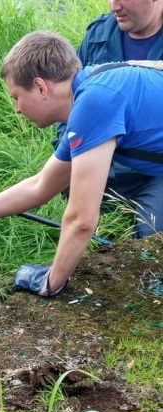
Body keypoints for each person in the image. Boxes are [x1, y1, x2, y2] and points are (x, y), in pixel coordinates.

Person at [0, 31, 163, 297]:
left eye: (16, 97)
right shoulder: (93, 88)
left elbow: (82, 219)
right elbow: (43, 183)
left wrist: (51, 282)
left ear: (40, 87)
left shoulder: (94, 103)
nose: (17, 110)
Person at [55, 0, 163, 238]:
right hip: (102, 163)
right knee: (71, 223)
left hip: (155, 170)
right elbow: (68, 99)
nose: (114, 6)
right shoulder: (99, 33)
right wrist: (70, 158)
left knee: (151, 237)